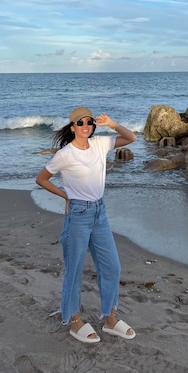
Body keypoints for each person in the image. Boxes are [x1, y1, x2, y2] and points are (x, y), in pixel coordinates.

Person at [36, 107, 137, 344]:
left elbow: (131, 138)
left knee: (112, 267)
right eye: (80, 122)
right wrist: (65, 196)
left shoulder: (101, 144)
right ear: (72, 127)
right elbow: (41, 179)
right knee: (74, 271)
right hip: (78, 215)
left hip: (99, 213)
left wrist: (111, 123)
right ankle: (74, 321)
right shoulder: (65, 154)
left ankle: (110, 319)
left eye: (90, 122)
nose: (86, 125)